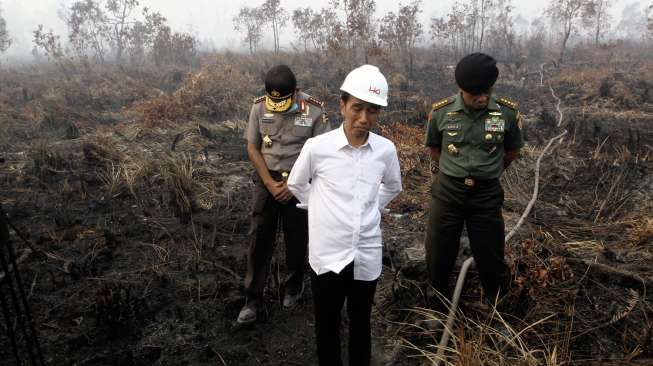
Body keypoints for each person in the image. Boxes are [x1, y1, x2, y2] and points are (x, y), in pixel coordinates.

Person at [287, 65, 402, 366]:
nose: (364, 119)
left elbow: (393, 185)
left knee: (361, 322)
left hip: (366, 252)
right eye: (357, 108)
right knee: (327, 324)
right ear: (342, 105)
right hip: (328, 254)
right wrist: (320, 206)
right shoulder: (318, 148)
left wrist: (372, 206)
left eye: (373, 111)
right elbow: (296, 184)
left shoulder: (385, 151)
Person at [424, 53, 524, 310]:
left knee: (490, 250)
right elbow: (435, 147)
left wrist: (488, 171)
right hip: (448, 191)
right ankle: (438, 298)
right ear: (461, 90)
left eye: (486, 92)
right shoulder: (442, 112)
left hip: (486, 194)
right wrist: (449, 170)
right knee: (439, 247)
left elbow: (512, 150)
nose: (482, 98)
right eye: (474, 94)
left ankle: (494, 300)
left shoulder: (507, 114)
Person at [237, 65, 331, 325]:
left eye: (283, 100)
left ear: (296, 92)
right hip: (267, 181)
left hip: (300, 184)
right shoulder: (258, 107)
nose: (276, 104)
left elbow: (322, 153)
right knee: (259, 238)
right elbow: (252, 147)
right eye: (273, 99)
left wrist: (293, 185)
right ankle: (252, 299)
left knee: (297, 237)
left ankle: (294, 287)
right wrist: (269, 182)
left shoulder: (314, 110)